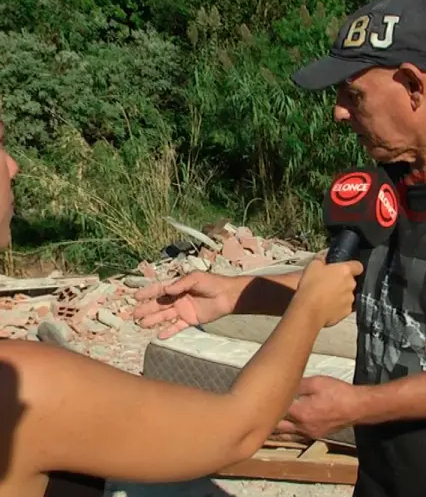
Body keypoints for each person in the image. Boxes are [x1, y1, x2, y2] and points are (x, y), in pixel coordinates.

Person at [135, 0, 426, 497]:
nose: (338, 112)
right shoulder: (391, 175)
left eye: (353, 95)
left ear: (412, 86)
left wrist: (353, 407)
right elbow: (352, 281)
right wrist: (235, 295)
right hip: (386, 476)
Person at [0, 121, 366, 497]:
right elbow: (235, 430)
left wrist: (234, 296)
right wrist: (307, 310)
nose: (14, 166)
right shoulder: (21, 384)